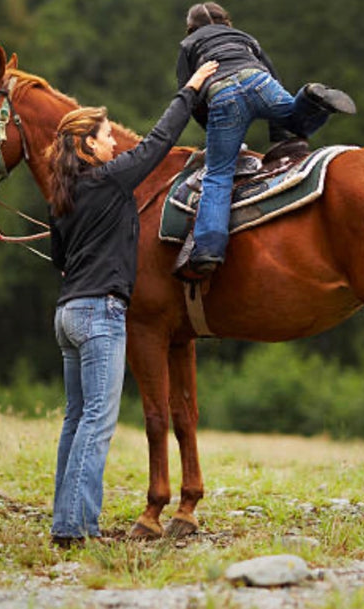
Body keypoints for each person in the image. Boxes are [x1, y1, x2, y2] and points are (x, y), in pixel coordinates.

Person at [46, 59, 218, 548]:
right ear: (86, 146)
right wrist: (189, 91)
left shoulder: (62, 194)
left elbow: (60, 259)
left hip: (67, 315)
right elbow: (159, 142)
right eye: (104, 137)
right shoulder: (110, 180)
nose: (114, 143)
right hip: (100, 314)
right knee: (97, 423)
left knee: (75, 420)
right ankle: (76, 529)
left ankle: (65, 521)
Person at [175, 1, 356, 280]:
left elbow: (191, 95)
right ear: (227, 22)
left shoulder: (189, 45)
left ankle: (208, 249)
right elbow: (272, 74)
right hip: (259, 81)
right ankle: (309, 99)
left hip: (223, 94)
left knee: (219, 173)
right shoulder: (246, 39)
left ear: (191, 28)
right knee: (294, 116)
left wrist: (213, 135)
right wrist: (282, 136)